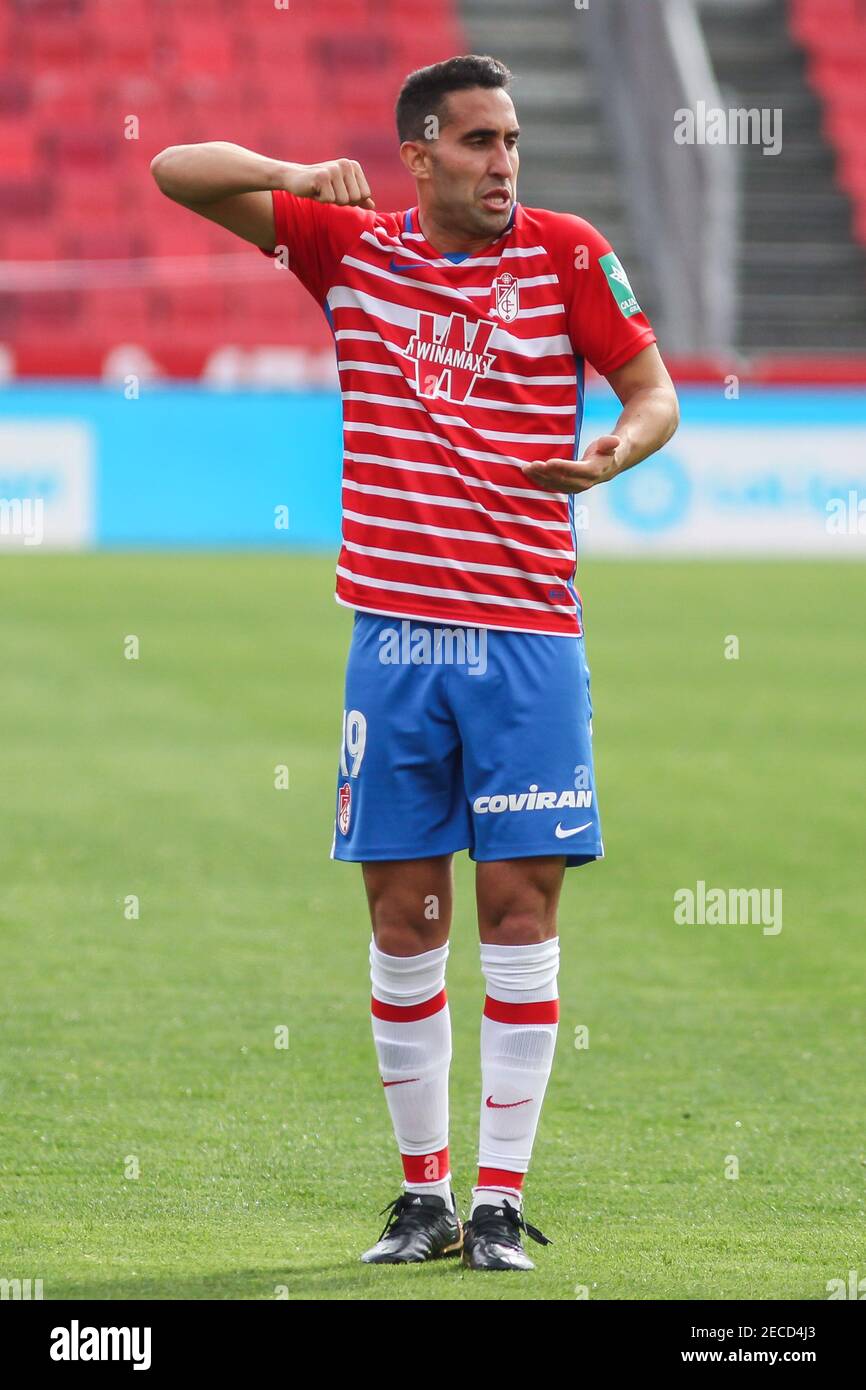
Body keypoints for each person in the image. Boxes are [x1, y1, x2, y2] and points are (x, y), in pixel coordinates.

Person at [151, 53, 679, 1272]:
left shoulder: (563, 252)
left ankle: (498, 1201)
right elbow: (177, 170)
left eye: (511, 143)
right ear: (418, 152)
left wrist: (612, 455)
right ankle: (420, 1197)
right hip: (391, 644)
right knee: (403, 915)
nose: (503, 165)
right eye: (479, 142)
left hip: (526, 638)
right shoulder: (351, 249)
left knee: (517, 906)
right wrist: (291, 173)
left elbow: (651, 393)